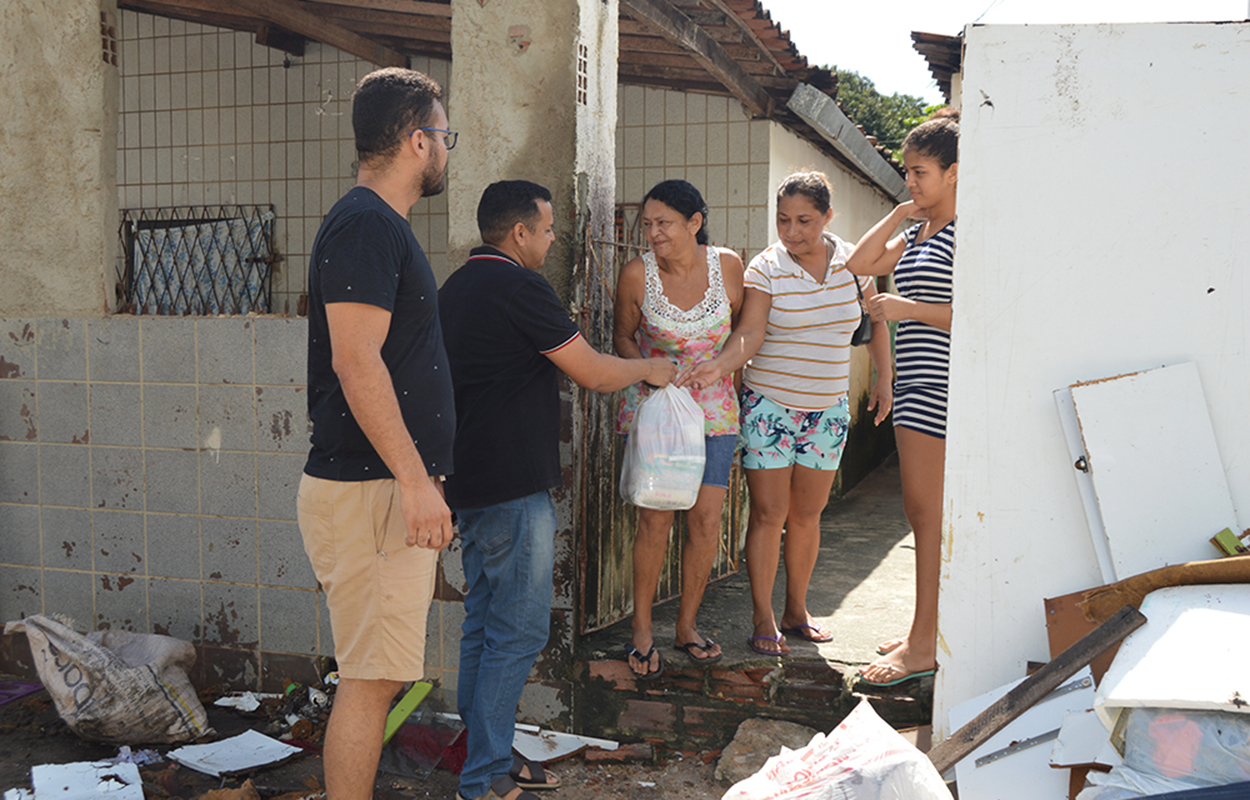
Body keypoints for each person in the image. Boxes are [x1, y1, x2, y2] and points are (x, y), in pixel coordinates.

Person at [440, 180, 676, 800]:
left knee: (485, 624)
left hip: (469, 484)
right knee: (516, 631)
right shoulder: (519, 287)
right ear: (519, 233)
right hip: (513, 487)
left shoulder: (455, 287)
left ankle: (485, 755)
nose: (550, 240)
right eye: (546, 230)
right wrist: (650, 367)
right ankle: (485, 775)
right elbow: (595, 372)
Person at [296, 67, 457, 800]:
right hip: (373, 491)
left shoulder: (378, 225)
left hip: (380, 490)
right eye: (444, 136)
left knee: (377, 674)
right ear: (419, 141)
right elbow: (356, 362)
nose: (446, 149)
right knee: (369, 680)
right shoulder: (366, 223)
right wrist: (417, 483)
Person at [681, 171, 893, 657]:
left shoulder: (855, 262)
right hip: (770, 407)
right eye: (783, 220)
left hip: (828, 410)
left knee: (808, 516)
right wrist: (719, 366)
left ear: (827, 217)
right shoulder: (766, 267)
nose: (792, 231)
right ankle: (764, 615)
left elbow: (876, 319)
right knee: (770, 514)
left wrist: (884, 378)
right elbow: (750, 332)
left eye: (804, 221)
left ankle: (798, 609)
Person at [613, 179, 745, 680]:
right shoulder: (635, 275)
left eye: (663, 223)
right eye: (647, 224)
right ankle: (642, 629)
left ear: (695, 222)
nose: (653, 233)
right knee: (655, 522)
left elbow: (742, 332)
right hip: (659, 415)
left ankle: (687, 625)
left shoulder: (728, 266)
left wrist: (718, 367)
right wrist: (647, 367)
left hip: (713, 414)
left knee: (707, 520)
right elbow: (622, 336)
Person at [845, 108, 959, 687]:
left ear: (954, 173)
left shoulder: (969, 233)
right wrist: (897, 212)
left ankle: (923, 645)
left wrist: (907, 309)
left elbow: (976, 315)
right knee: (923, 515)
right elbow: (859, 263)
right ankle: (926, 630)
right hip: (914, 382)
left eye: (919, 173)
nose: (910, 182)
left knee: (926, 514)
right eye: (907, 172)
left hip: (940, 384)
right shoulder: (917, 231)